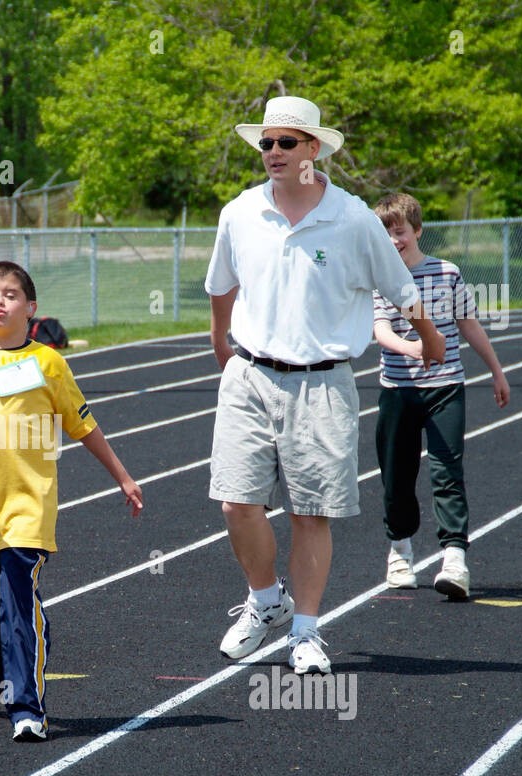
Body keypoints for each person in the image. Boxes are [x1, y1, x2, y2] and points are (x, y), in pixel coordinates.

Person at [205, 96, 446, 675]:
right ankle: (267, 602)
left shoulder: (353, 217)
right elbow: (221, 287)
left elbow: (400, 287)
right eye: (265, 143)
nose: (273, 153)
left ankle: (306, 633)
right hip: (250, 372)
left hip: (323, 382)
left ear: (314, 149)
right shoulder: (239, 212)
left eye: (286, 142)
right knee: (237, 503)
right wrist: (220, 345)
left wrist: (430, 342)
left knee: (311, 513)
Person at [0, 261, 143, 742]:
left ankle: (27, 706)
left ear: (31, 308)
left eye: (9, 294)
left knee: (19, 608)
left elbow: (82, 423)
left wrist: (123, 477)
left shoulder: (49, 364)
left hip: (28, 511)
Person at [371, 192, 510, 599]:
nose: (394, 241)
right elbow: (379, 329)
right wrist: (410, 347)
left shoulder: (447, 273)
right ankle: (400, 549)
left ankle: (454, 558)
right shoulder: (379, 278)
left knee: (447, 472)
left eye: (400, 233)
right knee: (396, 477)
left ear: (417, 230)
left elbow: (468, 325)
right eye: (386, 235)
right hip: (398, 390)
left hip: (445, 387)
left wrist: (497, 372)